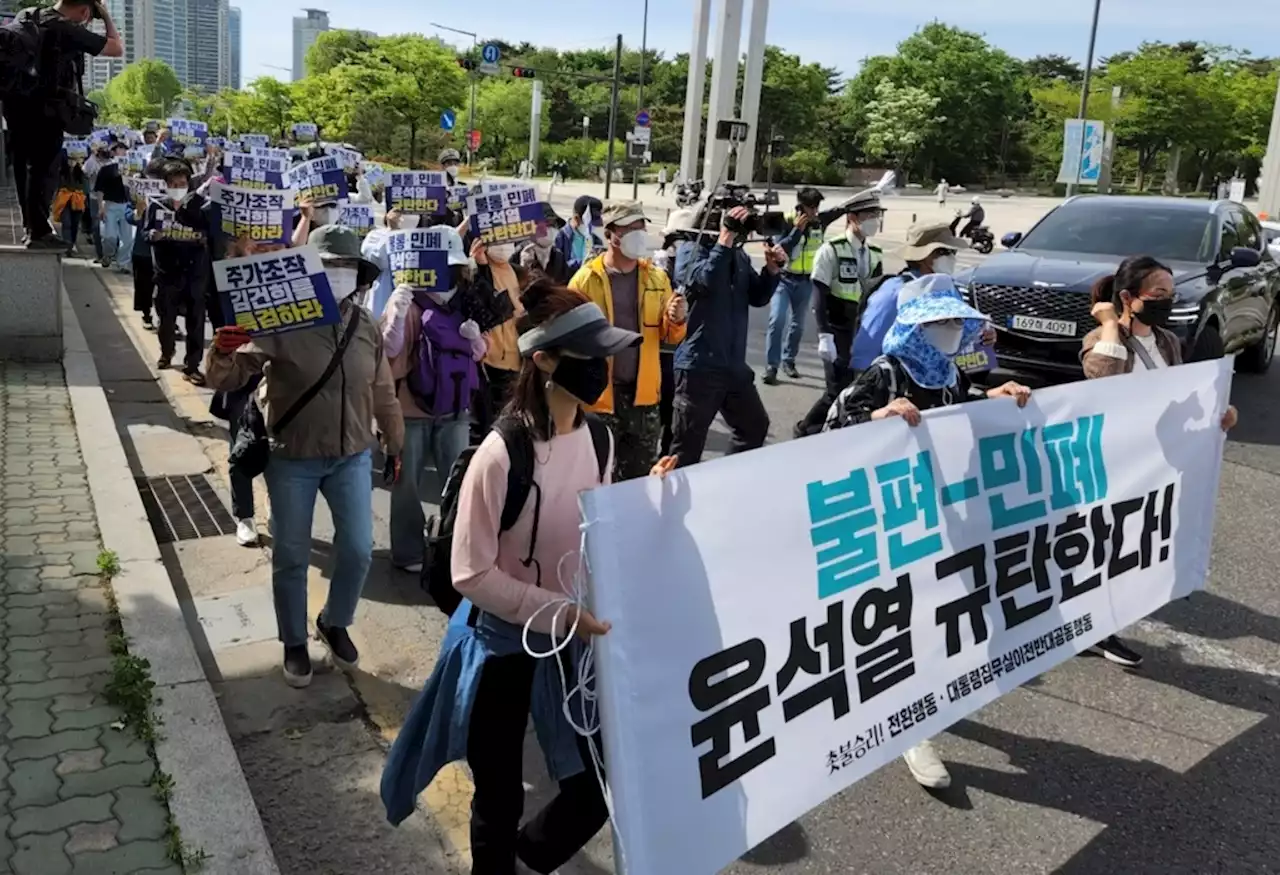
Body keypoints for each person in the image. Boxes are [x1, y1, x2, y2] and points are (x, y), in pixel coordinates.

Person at [380, 281, 640, 874]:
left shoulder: (598, 437)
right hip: (499, 646)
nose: (602, 369)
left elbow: (596, 534)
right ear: (543, 359)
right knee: (497, 795)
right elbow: (469, 574)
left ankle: (523, 861)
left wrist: (658, 500)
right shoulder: (503, 454)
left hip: (569, 642)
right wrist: (559, 610)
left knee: (597, 783)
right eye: (588, 355)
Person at [824, 282, 1033, 790]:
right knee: (906, 620)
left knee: (941, 613)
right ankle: (910, 729)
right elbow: (832, 427)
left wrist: (993, 396)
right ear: (916, 329)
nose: (953, 333)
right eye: (941, 325)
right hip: (892, 517)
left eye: (956, 324)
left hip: (941, 508)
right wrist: (878, 415)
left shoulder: (945, 373)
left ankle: (921, 705)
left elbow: (960, 408)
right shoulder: (886, 372)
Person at [205, 226, 405, 688]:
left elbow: (382, 390)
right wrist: (221, 349)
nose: (338, 275)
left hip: (351, 455)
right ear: (310, 271)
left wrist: (395, 442)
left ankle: (334, 621)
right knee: (292, 554)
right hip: (292, 455)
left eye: (346, 268)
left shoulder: (365, 325)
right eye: (328, 266)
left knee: (357, 549)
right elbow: (227, 377)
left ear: (359, 275)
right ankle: (293, 641)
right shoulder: (280, 320)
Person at [1081, 254, 1239, 668]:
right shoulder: (1100, 340)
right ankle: (1096, 630)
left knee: (1139, 543)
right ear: (1130, 297)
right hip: (1115, 463)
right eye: (1159, 293)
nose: (1167, 301)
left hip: (1157, 463)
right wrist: (1111, 324)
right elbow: (1103, 380)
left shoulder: (1167, 341)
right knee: (1110, 548)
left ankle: (1104, 620)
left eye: (1171, 293)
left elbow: (1181, 399)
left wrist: (1217, 416)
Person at [795, 222, 972, 438]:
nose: (953, 257)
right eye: (946, 252)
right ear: (927, 255)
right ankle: (804, 436)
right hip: (894, 385)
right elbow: (868, 341)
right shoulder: (895, 291)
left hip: (930, 378)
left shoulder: (946, 288)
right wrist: (868, 383)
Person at [381, 226, 486, 574]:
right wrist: (395, 314)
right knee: (406, 483)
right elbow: (388, 352)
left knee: (458, 482)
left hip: (455, 409)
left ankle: (454, 546)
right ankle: (408, 551)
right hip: (411, 411)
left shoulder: (465, 302)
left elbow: (479, 354)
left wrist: (475, 340)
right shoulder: (409, 303)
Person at [567, 201, 687, 480]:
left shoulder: (657, 278)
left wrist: (677, 318)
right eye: (630, 229)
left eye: (641, 227)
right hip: (599, 398)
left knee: (638, 480)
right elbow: (571, 340)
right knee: (595, 477)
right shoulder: (585, 280)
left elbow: (669, 337)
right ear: (610, 236)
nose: (639, 234)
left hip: (643, 398)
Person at [669, 205, 786, 467]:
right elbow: (702, 282)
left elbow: (757, 296)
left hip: (732, 365)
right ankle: (673, 504)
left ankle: (724, 481)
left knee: (754, 426)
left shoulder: (738, 255)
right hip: (699, 366)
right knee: (686, 447)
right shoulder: (691, 249)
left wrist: (771, 271)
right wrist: (724, 241)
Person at [2, 0, 123, 249]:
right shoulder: (66, 29)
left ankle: (32, 227)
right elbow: (116, 48)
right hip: (46, 109)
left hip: (14, 107)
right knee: (44, 170)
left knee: (24, 170)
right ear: (85, 10)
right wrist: (107, 16)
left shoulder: (28, 15)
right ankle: (38, 231)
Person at [795, 190, 886, 436]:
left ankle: (835, 430)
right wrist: (824, 335)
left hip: (862, 328)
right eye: (869, 215)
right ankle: (806, 430)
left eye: (876, 215)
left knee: (855, 385)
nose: (874, 220)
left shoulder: (875, 253)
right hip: (837, 326)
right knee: (836, 388)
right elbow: (819, 293)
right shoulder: (831, 249)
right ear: (852, 218)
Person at [763, 187, 848, 384]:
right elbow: (779, 248)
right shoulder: (786, 220)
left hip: (806, 280)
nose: (814, 212)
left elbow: (839, 210)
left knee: (798, 325)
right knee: (777, 320)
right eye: (811, 207)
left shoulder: (819, 221)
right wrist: (796, 231)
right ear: (801, 205)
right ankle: (771, 366)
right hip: (783, 279)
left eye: (817, 207)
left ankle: (789, 360)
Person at [362, 208, 416, 318]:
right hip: (381, 299)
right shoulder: (375, 234)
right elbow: (376, 261)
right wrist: (393, 231)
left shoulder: (425, 235)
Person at [94, 140, 133, 272]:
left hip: (126, 204)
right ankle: (108, 255)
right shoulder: (106, 169)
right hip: (109, 204)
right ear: (113, 152)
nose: (123, 152)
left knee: (128, 238)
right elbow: (99, 189)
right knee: (109, 236)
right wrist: (100, 207)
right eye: (119, 149)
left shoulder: (132, 169)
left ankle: (123, 263)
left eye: (124, 149)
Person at [519, 203, 572, 285]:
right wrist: (523, 268)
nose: (549, 229)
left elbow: (565, 286)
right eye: (545, 224)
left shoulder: (558, 257)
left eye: (553, 225)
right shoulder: (519, 254)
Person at [553, 195, 603, 275]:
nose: (592, 227)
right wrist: (584, 263)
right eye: (589, 224)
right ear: (576, 218)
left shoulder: (596, 240)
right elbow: (558, 269)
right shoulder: (560, 238)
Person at [52, 155, 86, 256]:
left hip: (77, 201)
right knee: (67, 224)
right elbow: (55, 186)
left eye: (74, 160)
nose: (72, 162)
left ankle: (71, 244)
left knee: (75, 224)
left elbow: (85, 187)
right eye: (70, 159)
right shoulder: (60, 171)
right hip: (64, 201)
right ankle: (67, 246)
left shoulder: (80, 172)